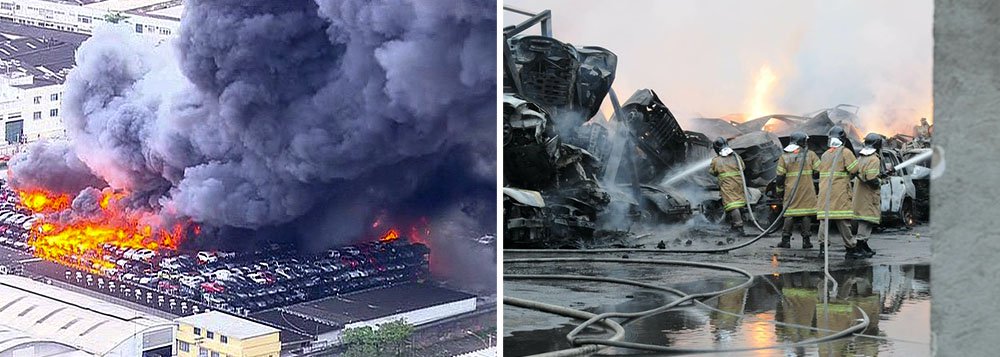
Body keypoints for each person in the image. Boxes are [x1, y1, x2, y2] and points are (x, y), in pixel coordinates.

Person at [815, 126, 862, 259]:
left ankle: (822, 249)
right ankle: (851, 248)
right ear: (843, 139)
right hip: (839, 191)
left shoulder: (825, 154)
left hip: (825, 192)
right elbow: (854, 169)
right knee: (843, 220)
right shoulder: (845, 152)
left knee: (824, 221)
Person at [775, 132, 820, 249]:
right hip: (807, 189)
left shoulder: (784, 157)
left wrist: (779, 191)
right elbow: (818, 170)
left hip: (791, 190)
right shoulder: (811, 155)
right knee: (806, 214)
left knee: (789, 213)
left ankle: (785, 240)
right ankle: (806, 241)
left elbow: (780, 177)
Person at [850, 133, 889, 257]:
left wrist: (880, 175)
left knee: (865, 219)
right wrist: (880, 181)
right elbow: (872, 179)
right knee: (866, 220)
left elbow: (864, 174)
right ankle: (860, 245)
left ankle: (864, 245)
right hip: (869, 195)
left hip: (860, 194)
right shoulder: (874, 159)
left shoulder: (861, 157)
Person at [708, 137, 745, 233]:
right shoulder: (736, 157)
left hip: (727, 184)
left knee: (732, 205)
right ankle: (734, 225)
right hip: (738, 183)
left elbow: (712, 172)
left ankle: (738, 226)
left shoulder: (716, 160)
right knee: (737, 203)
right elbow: (743, 167)